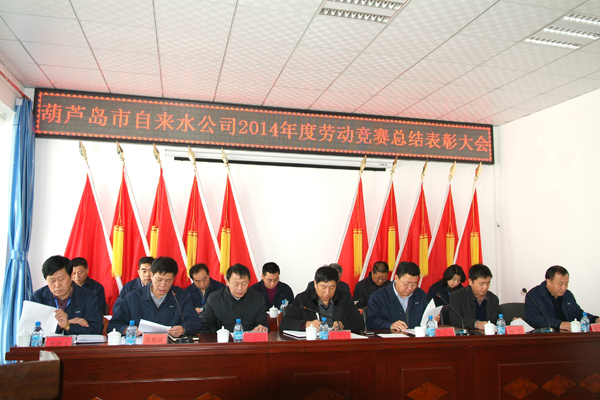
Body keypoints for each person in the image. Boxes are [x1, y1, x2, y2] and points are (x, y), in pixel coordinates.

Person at [108, 257, 200, 336]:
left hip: (170, 348)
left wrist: (183, 329)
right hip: (141, 347)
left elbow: (195, 322)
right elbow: (114, 324)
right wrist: (126, 329)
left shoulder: (182, 296)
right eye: (159, 280)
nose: (163, 285)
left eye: (168, 281)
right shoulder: (133, 297)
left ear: (173, 279)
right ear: (151, 275)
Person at [31, 255, 103, 334]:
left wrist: (68, 326)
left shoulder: (88, 297)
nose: (57, 285)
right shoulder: (38, 297)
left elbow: (97, 329)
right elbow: (30, 328)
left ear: (71, 276)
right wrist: (62, 325)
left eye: (61, 279)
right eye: (52, 281)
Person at [280, 266, 364, 331]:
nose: (327, 292)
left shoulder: (344, 298)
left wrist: (343, 324)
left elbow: (360, 323)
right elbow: (285, 323)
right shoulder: (303, 299)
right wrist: (307, 324)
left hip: (337, 343)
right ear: (315, 283)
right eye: (323, 287)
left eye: (332, 287)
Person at [525, 265, 599, 331]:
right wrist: (559, 324)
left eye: (566, 283)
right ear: (549, 282)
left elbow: (578, 313)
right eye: (560, 284)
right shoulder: (533, 295)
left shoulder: (567, 294)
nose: (564, 288)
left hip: (567, 336)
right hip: (545, 337)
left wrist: (595, 319)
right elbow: (532, 318)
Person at [200, 263, 269, 333]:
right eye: (236, 284)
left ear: (249, 282)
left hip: (249, 339)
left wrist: (262, 328)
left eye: (244, 284)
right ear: (227, 282)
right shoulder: (214, 299)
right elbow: (205, 326)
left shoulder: (258, 299)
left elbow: (262, 323)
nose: (240, 288)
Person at [366, 261, 434, 331]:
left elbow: (425, 317)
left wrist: (431, 318)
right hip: (391, 337)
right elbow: (371, 322)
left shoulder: (420, 294)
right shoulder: (378, 297)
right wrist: (390, 325)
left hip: (415, 336)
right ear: (396, 278)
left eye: (414, 284)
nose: (410, 288)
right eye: (406, 284)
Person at [449, 264, 500, 330]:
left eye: (488, 283)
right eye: (481, 284)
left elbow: (497, 320)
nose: (485, 287)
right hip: (467, 335)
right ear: (470, 282)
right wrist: (476, 324)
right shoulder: (456, 297)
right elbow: (455, 320)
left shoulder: (493, 299)